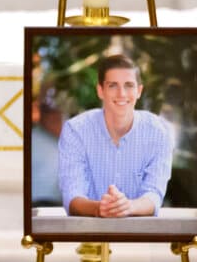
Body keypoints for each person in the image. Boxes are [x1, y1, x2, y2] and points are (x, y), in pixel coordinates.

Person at [57, 54, 173, 218]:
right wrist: (100, 209)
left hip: (140, 238)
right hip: (88, 235)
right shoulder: (75, 131)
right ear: (100, 91)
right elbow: (72, 195)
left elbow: (154, 193)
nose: (121, 94)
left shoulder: (159, 132)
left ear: (139, 91)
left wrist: (127, 207)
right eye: (112, 85)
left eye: (129, 85)